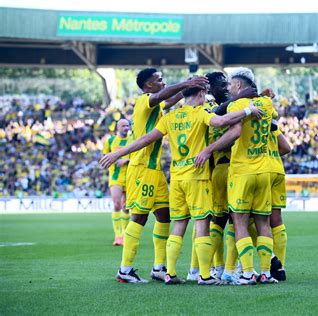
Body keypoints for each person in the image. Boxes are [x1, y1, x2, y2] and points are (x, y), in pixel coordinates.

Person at [100, 83, 263, 285]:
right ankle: (205, 276)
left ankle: (169, 272)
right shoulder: (200, 113)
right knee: (202, 223)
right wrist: (248, 110)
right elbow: (221, 121)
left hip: (176, 179)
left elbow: (145, 139)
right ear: (202, 94)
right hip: (197, 175)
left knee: (177, 225)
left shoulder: (169, 117)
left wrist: (117, 153)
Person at [111, 68, 208, 283]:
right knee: (139, 216)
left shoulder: (155, 107)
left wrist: (190, 89)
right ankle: (124, 270)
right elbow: (161, 97)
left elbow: (170, 99)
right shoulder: (143, 101)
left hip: (155, 171)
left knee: (164, 215)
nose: (163, 83)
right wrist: (185, 83)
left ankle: (158, 267)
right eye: (159, 80)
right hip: (141, 168)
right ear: (148, 86)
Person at [194, 67, 279, 285]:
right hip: (264, 170)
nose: (228, 88)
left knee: (236, 223)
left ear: (239, 85)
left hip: (240, 170)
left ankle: (245, 272)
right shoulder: (267, 104)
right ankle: (266, 273)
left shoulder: (235, 105)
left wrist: (209, 149)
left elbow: (232, 130)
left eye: (230, 84)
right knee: (262, 224)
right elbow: (274, 124)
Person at [268, 120, 292, 281]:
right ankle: (280, 268)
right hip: (277, 169)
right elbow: (286, 147)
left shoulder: (240, 115)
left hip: (254, 169)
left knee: (245, 220)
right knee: (276, 219)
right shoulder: (269, 120)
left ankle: (270, 259)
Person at [102, 118, 131, 246]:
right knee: (116, 204)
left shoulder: (133, 140)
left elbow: (138, 156)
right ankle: (118, 236)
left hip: (130, 177)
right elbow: (105, 157)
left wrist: (126, 160)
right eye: (123, 126)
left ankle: (125, 235)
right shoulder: (110, 141)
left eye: (127, 125)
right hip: (116, 177)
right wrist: (114, 160)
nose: (126, 128)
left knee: (126, 207)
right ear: (117, 128)